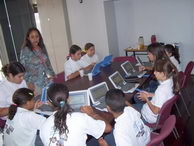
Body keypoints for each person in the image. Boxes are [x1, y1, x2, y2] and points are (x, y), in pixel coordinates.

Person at [40, 83, 112, 146]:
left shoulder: (43, 128)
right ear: (69, 99)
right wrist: (92, 114)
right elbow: (108, 128)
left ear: (48, 103)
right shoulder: (79, 118)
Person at [133, 59, 179, 124]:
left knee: (128, 108)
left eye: (156, 71)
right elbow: (164, 97)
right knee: (137, 98)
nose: (154, 73)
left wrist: (146, 99)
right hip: (156, 115)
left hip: (148, 117)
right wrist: (150, 94)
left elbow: (155, 111)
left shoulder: (161, 90)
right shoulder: (171, 80)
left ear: (163, 74)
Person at [20, 27, 55, 93]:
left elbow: (48, 63)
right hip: (35, 83)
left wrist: (51, 75)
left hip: (48, 80)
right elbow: (23, 68)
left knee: (50, 100)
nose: (35, 39)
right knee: (40, 101)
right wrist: (28, 82)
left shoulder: (42, 47)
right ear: (28, 38)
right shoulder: (25, 50)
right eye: (32, 37)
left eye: (37, 36)